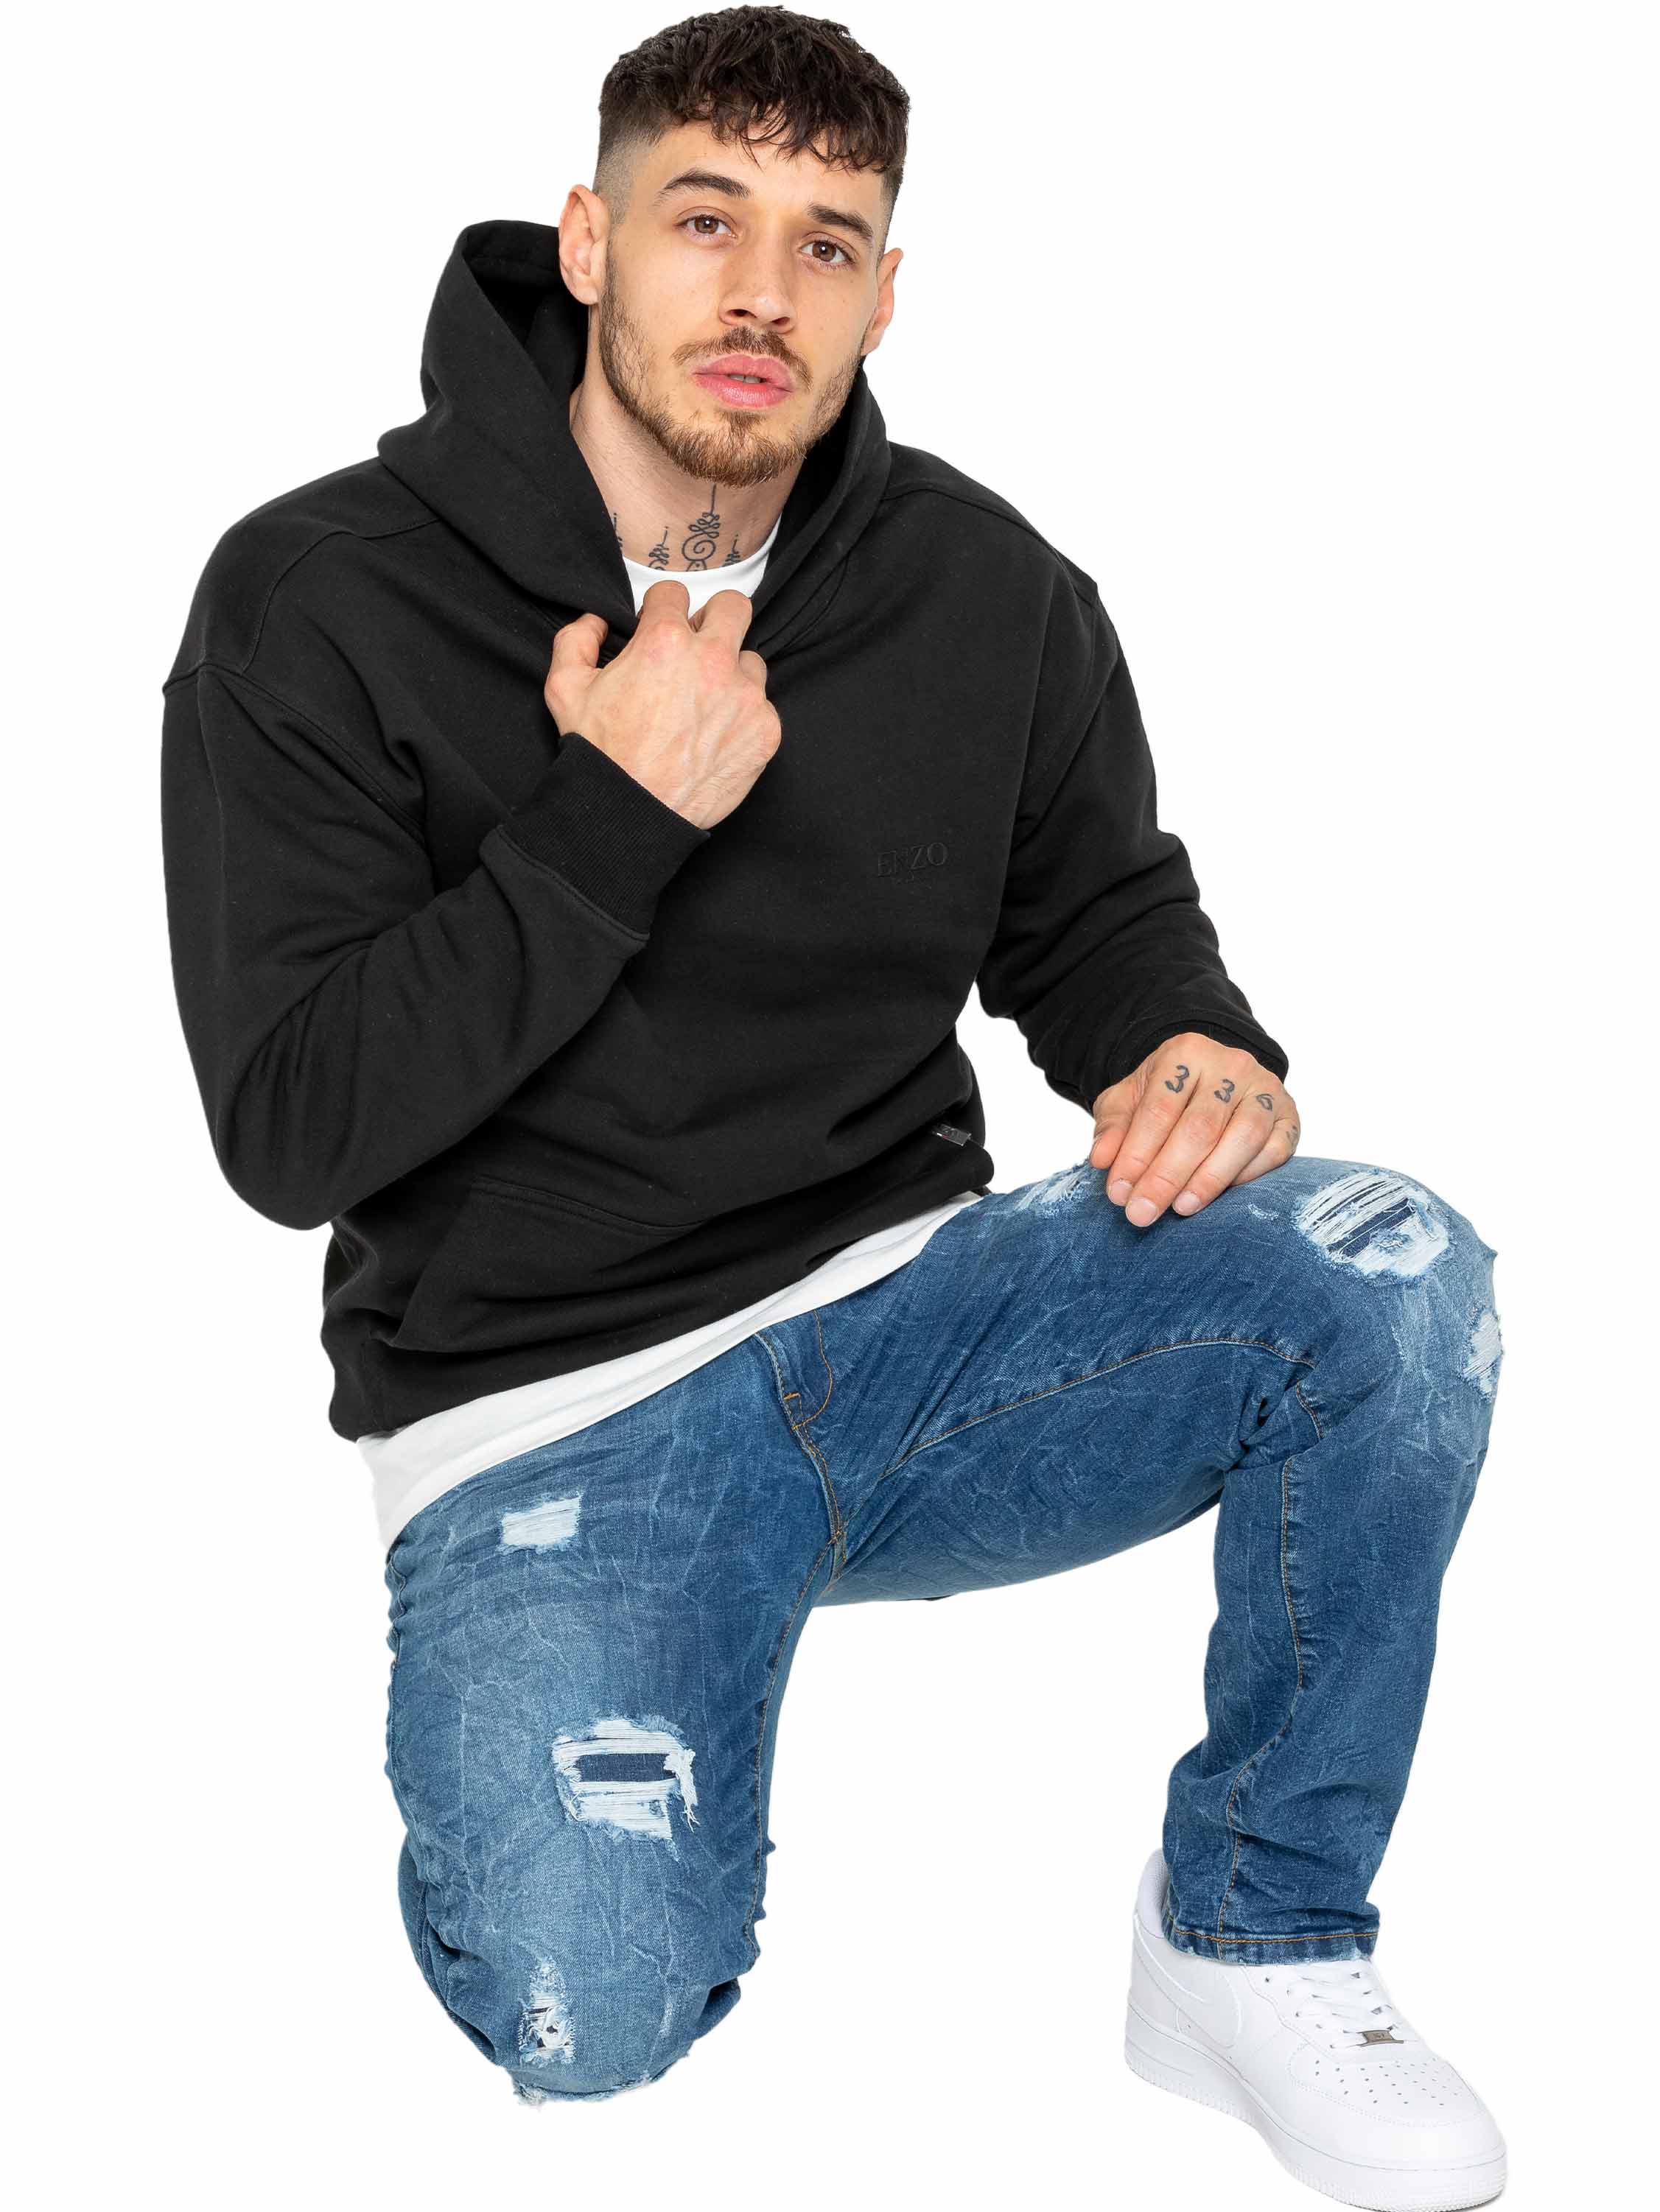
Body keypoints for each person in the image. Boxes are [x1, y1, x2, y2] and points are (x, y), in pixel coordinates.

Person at [158, 10, 1506, 2204]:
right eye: (705, 220)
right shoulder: (318, 598)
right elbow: (289, 1124)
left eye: (830, 241)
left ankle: (1252, 1931)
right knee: (588, 2020)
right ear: (587, 242)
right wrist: (611, 820)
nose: (764, 293)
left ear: (889, 291)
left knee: (1392, 1271)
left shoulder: (986, 589)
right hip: (551, 1414)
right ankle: (602, 1704)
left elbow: (1102, 922)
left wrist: (1194, 1044)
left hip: (917, 1330)